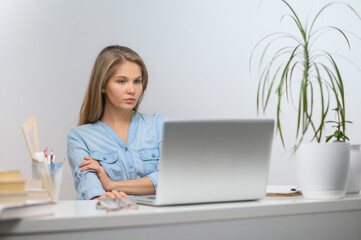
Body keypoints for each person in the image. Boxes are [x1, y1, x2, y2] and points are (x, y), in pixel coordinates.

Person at [67, 45, 165, 200]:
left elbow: (172, 180)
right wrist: (105, 198)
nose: (132, 90)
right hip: (112, 220)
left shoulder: (159, 125)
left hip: (162, 221)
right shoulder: (80, 137)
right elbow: (92, 192)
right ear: (103, 85)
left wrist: (112, 185)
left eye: (137, 81)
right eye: (121, 81)